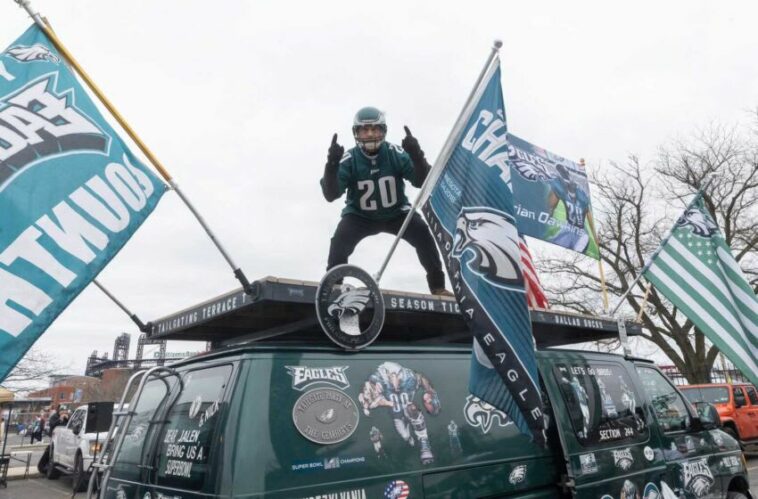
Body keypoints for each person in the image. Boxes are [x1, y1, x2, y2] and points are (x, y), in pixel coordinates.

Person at [320, 106, 451, 295]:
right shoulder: (349, 159)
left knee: (423, 234)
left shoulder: (395, 154)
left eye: (375, 129)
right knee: (339, 241)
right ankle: (333, 288)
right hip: (360, 215)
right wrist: (331, 166)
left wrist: (416, 155)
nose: (370, 134)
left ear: (383, 131)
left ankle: (438, 286)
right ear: (356, 132)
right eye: (365, 129)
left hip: (397, 212)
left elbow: (423, 181)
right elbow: (330, 195)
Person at [547, 163, 593, 253]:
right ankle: (565, 176)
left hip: (580, 232)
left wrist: (595, 237)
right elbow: (550, 206)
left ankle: (565, 176)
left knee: (578, 250)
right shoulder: (563, 191)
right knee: (554, 241)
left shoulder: (581, 196)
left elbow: (588, 213)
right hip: (568, 227)